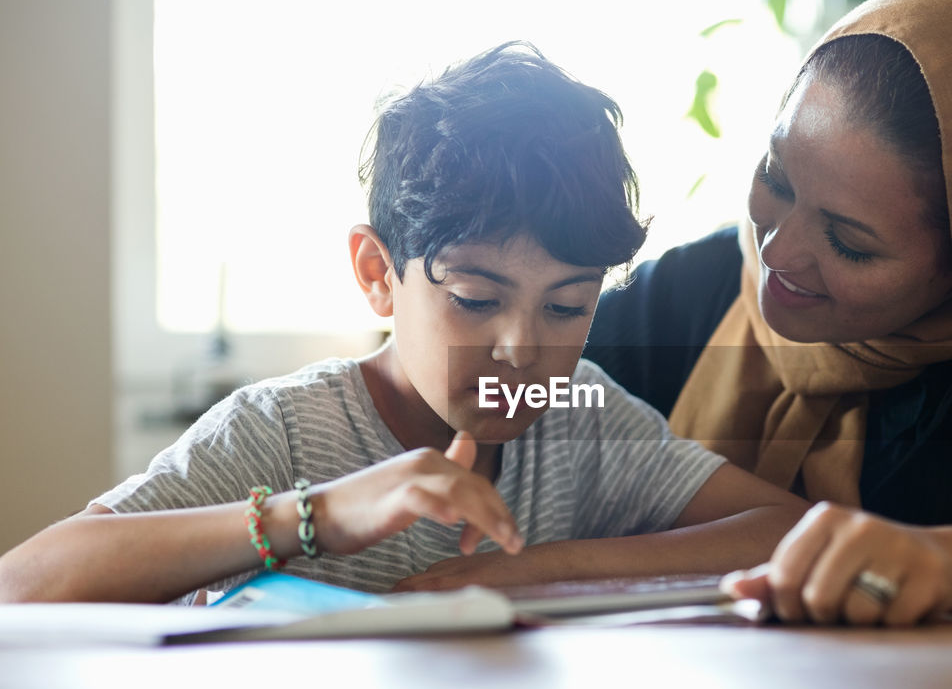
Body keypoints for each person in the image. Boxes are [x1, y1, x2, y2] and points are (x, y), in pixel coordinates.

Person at [0, 42, 808, 606]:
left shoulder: (580, 420)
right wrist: (315, 514)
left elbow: (791, 529)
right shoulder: (284, 432)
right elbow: (22, 586)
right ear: (378, 274)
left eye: (567, 306)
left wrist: (543, 569)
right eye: (475, 299)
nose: (523, 351)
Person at [583, 0, 952, 625]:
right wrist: (451, 432)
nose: (777, 251)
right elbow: (547, 390)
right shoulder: (701, 286)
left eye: (849, 243)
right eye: (775, 181)